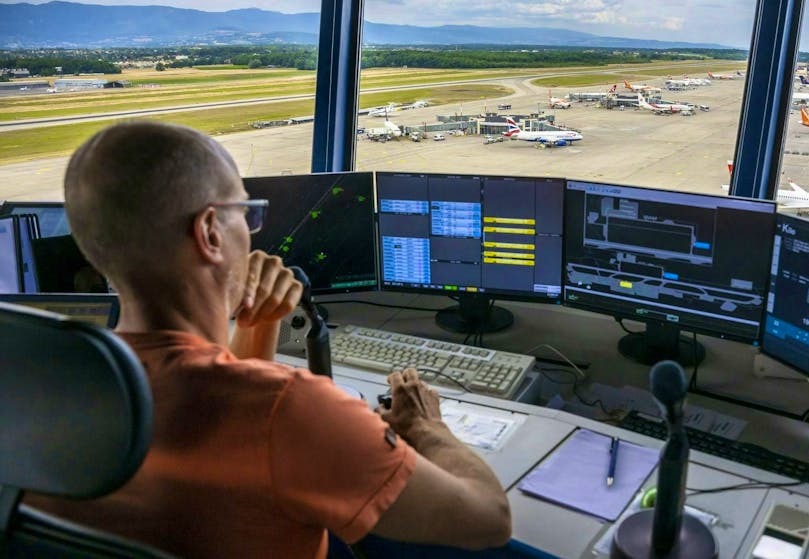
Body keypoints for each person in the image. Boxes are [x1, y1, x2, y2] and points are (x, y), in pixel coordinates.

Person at [26, 121, 511, 558]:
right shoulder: (289, 410)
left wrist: (258, 321)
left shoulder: (41, 394)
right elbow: (488, 519)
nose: (254, 233)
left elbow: (220, 400)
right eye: (245, 213)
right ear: (210, 232)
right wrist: (427, 428)